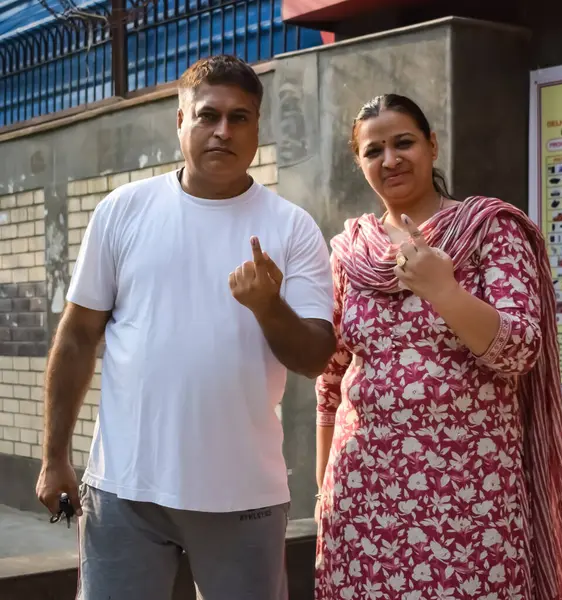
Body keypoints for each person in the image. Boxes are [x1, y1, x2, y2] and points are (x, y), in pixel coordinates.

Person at [35, 54, 336, 600]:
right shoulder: (123, 211)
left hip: (243, 494)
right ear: (180, 121)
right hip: (125, 490)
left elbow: (316, 356)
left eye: (240, 117)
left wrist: (268, 307)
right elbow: (77, 336)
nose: (223, 130)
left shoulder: (291, 227)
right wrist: (54, 456)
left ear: (257, 127)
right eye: (208, 115)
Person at [314, 94, 562, 600]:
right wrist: (323, 484)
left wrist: (444, 290)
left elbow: (521, 350)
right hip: (364, 486)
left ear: (433, 145)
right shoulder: (352, 250)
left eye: (404, 143)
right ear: (359, 163)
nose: (391, 160)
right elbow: (332, 374)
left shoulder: (488, 230)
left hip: (469, 486)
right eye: (373, 151)